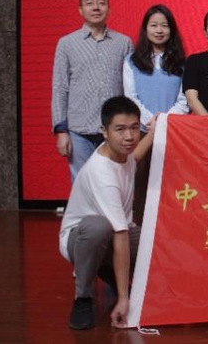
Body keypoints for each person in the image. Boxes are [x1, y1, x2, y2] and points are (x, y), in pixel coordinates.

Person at [59, 96, 154, 330]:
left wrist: (155, 131)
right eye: (120, 129)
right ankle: (83, 297)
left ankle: (106, 267)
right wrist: (123, 299)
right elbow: (119, 235)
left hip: (114, 234)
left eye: (134, 128)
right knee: (99, 227)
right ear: (104, 131)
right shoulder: (102, 173)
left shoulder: (123, 153)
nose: (129, 136)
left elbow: (136, 157)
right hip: (80, 239)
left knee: (155, 237)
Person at [52, 0, 133, 182]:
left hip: (114, 129)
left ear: (109, 9)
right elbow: (60, 88)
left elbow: (130, 89)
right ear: (81, 10)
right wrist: (61, 131)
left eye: (101, 3)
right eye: (89, 3)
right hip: (79, 130)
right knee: (82, 185)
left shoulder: (124, 43)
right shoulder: (67, 43)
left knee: (114, 183)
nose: (96, 7)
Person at [123, 4, 189, 224]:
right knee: (141, 183)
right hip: (142, 132)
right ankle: (140, 231)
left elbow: (184, 99)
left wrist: (165, 120)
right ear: (146, 29)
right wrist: (151, 121)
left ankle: (170, 230)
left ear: (171, 30)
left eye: (164, 25)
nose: (159, 30)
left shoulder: (182, 63)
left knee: (172, 184)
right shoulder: (131, 61)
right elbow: (130, 96)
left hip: (173, 132)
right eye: (154, 25)